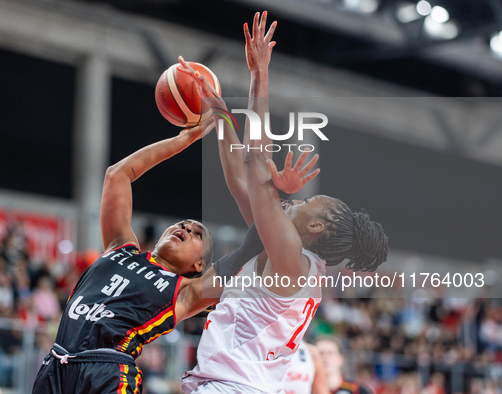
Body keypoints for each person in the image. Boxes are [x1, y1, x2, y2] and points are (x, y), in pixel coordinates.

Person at [32, 94, 305, 393]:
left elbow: (255, 241)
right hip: (55, 366)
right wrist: (183, 140)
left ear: (199, 265)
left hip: (108, 372)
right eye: (184, 224)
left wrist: (276, 199)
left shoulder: (188, 292)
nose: (186, 227)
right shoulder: (120, 247)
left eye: (198, 233)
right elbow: (117, 175)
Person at [180, 11, 388, 394]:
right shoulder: (285, 252)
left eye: (308, 200)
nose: (299, 200)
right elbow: (239, 178)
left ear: (316, 227)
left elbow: (255, 163)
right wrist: (220, 110)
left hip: (234, 387)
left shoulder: (291, 258)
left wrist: (260, 76)